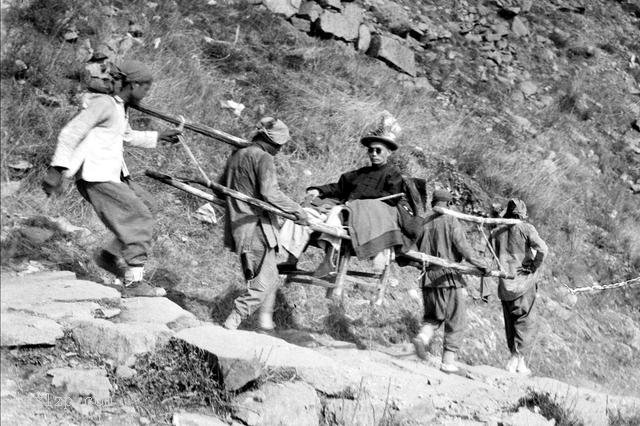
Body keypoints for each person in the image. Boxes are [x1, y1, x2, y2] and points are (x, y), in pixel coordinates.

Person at [42, 60, 181, 297]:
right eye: (145, 88)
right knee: (139, 217)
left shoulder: (119, 107)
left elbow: (124, 135)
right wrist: (57, 170)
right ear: (133, 84)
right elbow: (71, 132)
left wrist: (159, 136)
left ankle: (107, 256)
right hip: (96, 175)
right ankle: (134, 283)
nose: (146, 94)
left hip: (111, 172)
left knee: (148, 205)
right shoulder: (104, 105)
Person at [222, 117, 310, 332]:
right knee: (265, 283)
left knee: (266, 279)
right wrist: (297, 210)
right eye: (279, 145)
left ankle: (264, 325)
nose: (279, 150)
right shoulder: (264, 158)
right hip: (256, 228)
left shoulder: (237, 155)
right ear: (269, 140)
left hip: (237, 226)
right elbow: (270, 193)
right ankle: (235, 317)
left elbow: (220, 185)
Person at [302, 112, 404, 277]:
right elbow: (339, 187)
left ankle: (328, 260)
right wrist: (319, 190)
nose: (374, 154)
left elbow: (392, 198)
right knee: (310, 213)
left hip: (368, 217)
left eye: (379, 150)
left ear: (389, 153)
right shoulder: (359, 173)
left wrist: (360, 201)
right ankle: (298, 259)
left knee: (336, 214)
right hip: (347, 212)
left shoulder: (393, 174)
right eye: (371, 150)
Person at [400, 189, 489, 373]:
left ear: (434, 201)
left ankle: (423, 338)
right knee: (456, 319)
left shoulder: (424, 221)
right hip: (448, 278)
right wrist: (481, 264)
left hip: (427, 278)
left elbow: (414, 249)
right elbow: (463, 248)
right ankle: (448, 362)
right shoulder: (451, 220)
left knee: (433, 316)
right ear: (449, 204)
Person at [491, 198, 548, 375]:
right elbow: (543, 249)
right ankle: (518, 358)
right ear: (522, 213)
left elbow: (490, 245)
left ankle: (516, 359)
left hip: (505, 283)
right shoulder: (526, 228)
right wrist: (533, 266)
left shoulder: (498, 230)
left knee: (510, 322)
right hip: (523, 283)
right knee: (526, 321)